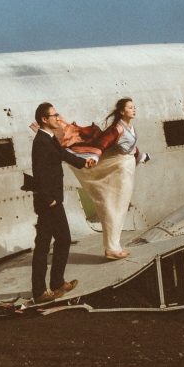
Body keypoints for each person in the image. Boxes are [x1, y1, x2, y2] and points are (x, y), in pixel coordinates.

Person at [30, 102, 96, 303]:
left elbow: (62, 154)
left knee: (51, 242)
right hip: (49, 201)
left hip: (51, 200)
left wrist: (83, 162)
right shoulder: (41, 141)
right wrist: (48, 199)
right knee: (52, 243)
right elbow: (39, 172)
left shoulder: (49, 139)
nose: (58, 118)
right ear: (44, 119)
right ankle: (44, 289)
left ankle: (53, 285)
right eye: (55, 115)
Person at [69, 97, 150, 259]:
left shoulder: (128, 127)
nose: (134, 109)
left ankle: (114, 246)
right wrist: (96, 156)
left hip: (125, 169)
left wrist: (140, 155)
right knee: (114, 206)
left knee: (119, 207)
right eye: (130, 108)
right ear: (122, 111)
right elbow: (103, 143)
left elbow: (129, 147)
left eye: (134, 107)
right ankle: (111, 248)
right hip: (118, 169)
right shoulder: (118, 128)